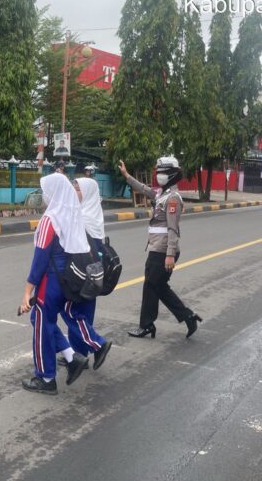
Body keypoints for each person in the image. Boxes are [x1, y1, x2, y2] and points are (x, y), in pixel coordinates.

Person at [19, 173, 89, 395]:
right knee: (41, 320)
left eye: (45, 191)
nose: (43, 195)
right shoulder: (71, 216)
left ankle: (46, 378)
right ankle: (71, 357)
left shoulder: (50, 220)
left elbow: (40, 259)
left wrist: (27, 291)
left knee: (41, 327)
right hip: (66, 281)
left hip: (49, 281)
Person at [118, 157, 202, 339]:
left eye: (162, 173)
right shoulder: (162, 194)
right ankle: (187, 316)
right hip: (157, 248)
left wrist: (170, 255)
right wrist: (127, 176)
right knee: (158, 286)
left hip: (163, 250)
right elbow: (145, 189)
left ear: (171, 175)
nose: (159, 176)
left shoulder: (173, 199)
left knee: (152, 285)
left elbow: (173, 229)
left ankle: (147, 325)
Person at [57, 177, 112, 370]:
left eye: (77, 189)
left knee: (69, 310)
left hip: (81, 273)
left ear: (87, 192)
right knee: (84, 314)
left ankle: (98, 344)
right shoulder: (93, 213)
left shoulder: (83, 217)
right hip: (93, 273)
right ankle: (79, 354)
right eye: (72, 188)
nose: (74, 192)